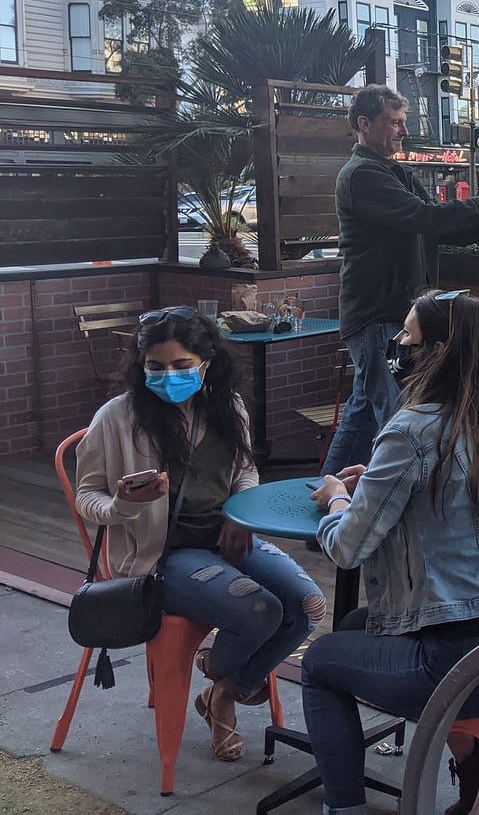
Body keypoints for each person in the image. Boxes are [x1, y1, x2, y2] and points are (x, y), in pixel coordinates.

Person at [303, 291, 479, 815]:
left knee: (321, 661)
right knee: (352, 627)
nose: (397, 344)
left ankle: (344, 807)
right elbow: (450, 501)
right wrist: (374, 483)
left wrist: (338, 498)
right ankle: (470, 763)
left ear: (436, 351)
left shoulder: (412, 430)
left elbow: (348, 547)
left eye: (407, 336)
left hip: (468, 666)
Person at [75, 307, 325, 763]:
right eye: (155, 366)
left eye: (181, 365)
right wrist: (122, 504)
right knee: (261, 608)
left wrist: (238, 512)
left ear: (206, 362)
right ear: (140, 364)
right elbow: (86, 495)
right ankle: (229, 691)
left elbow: (246, 471)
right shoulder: (117, 416)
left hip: (227, 537)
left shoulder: (226, 407)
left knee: (308, 604)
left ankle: (223, 688)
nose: (168, 376)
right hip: (162, 556)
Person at [323, 84, 479, 478]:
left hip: (397, 314)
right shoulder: (361, 175)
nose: (403, 131)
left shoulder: (396, 172)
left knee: (362, 417)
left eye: (404, 122)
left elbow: (435, 227)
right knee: (398, 416)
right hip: (377, 313)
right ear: (363, 124)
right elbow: (424, 217)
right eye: (394, 123)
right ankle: (384, 511)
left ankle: (327, 501)